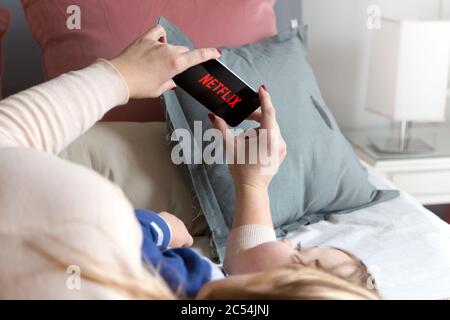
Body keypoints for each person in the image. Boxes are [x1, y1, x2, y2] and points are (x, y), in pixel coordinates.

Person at [0, 24, 379, 300]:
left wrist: (118, 78)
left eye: (298, 254)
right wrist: (252, 185)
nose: (293, 243)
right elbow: (245, 274)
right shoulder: (206, 291)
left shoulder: (131, 275)